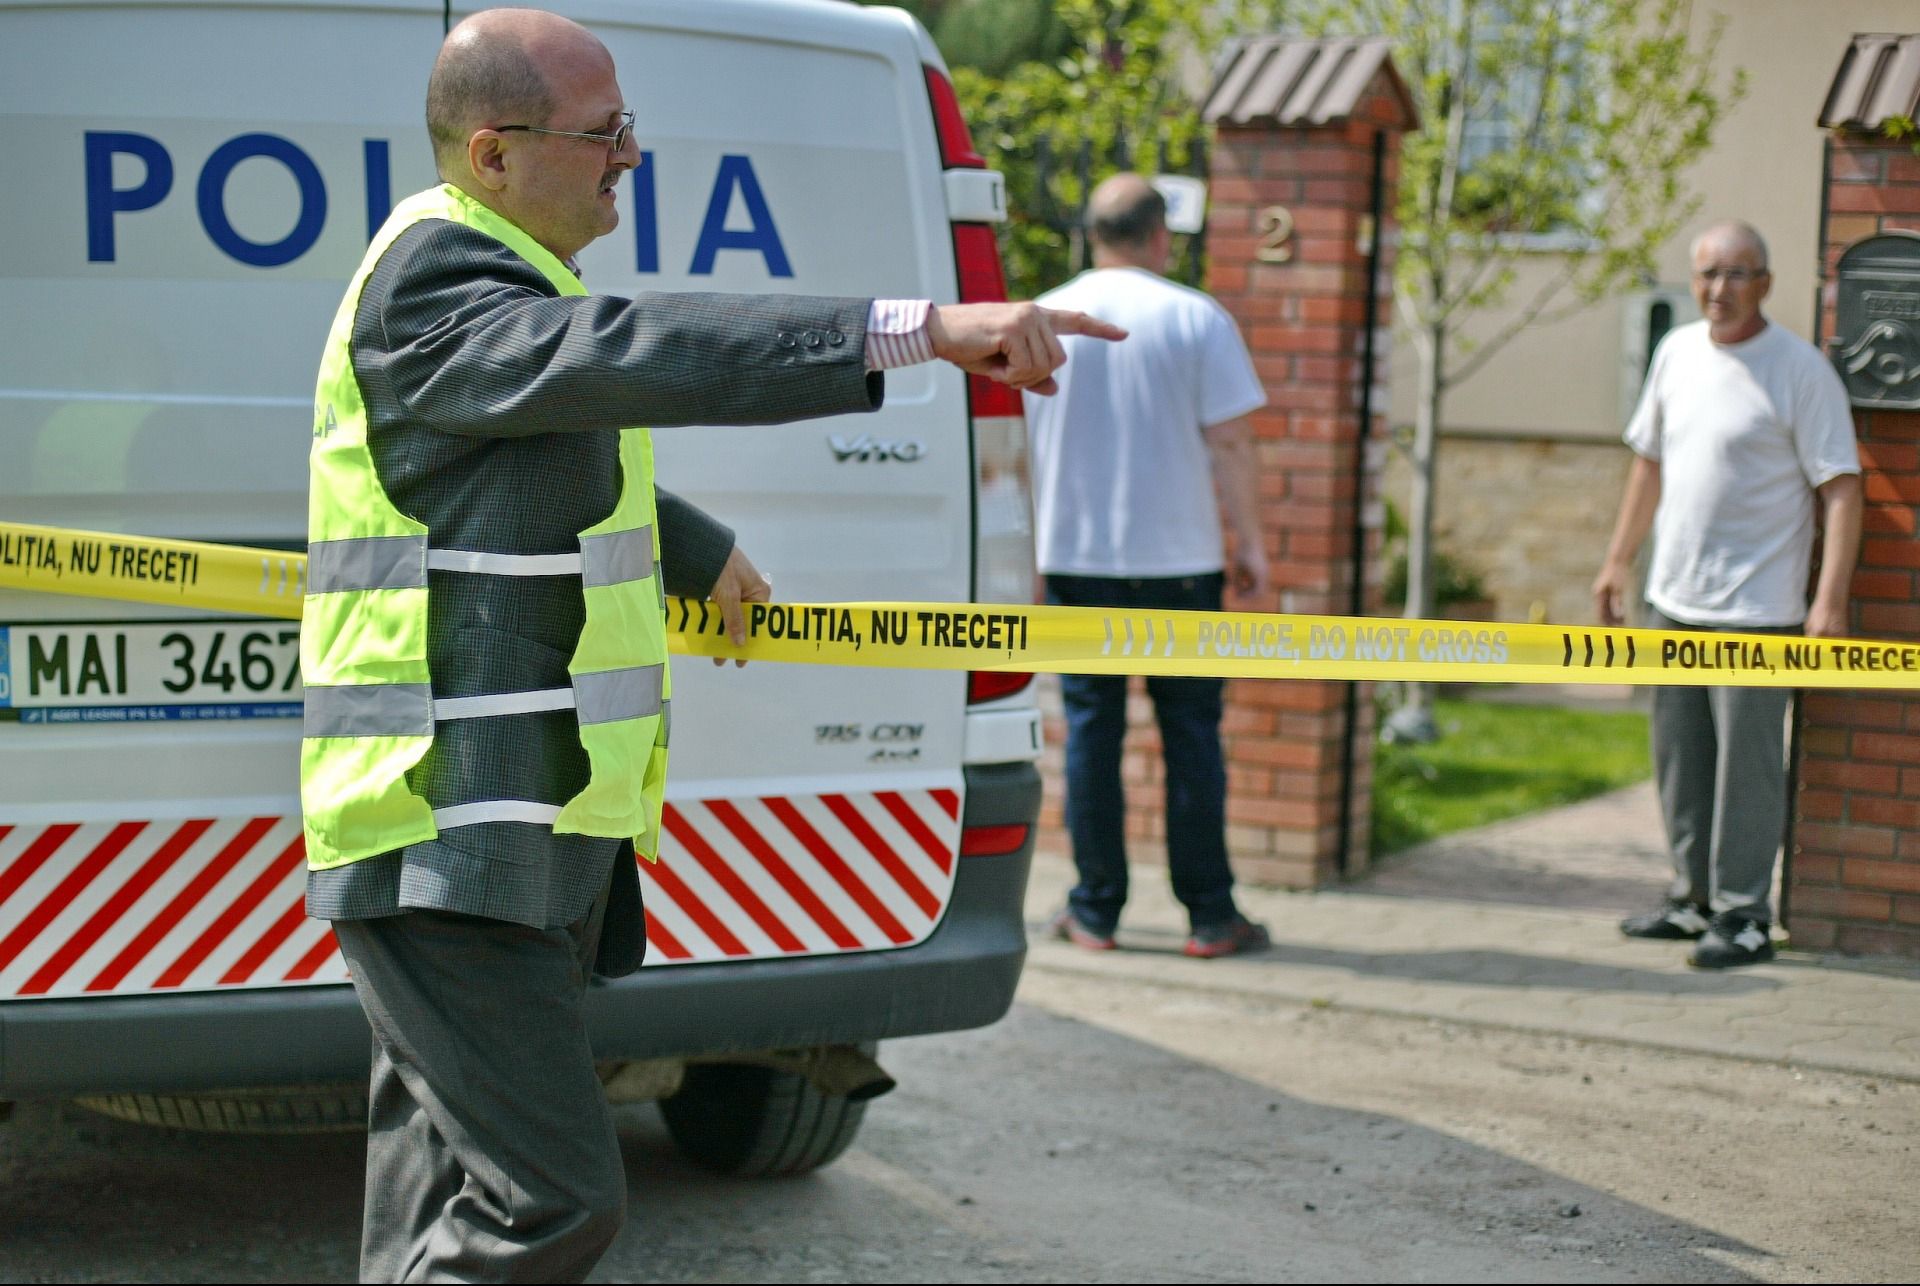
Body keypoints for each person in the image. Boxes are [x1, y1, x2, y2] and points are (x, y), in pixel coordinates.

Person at [300, 10, 1122, 1281]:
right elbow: (629, 354)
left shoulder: (509, 279)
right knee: (551, 1201)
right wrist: (912, 330)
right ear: (492, 153)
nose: (631, 155)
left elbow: (514, 441)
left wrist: (680, 540)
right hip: (446, 831)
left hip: (522, 831)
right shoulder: (437, 279)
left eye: (628, 127)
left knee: (440, 1187)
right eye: (602, 133)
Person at [1594, 219, 1862, 970]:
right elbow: (1647, 464)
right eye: (1707, 275)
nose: (1719, 290)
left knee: (1746, 771)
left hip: (1759, 612)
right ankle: (1692, 898)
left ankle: (1744, 915)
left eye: (1736, 274)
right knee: (1679, 759)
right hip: (1675, 599)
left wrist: (1830, 601)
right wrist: (1618, 562)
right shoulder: (1676, 353)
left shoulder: (1799, 371)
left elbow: (1842, 488)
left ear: (1766, 284)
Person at [1023, 174, 1271, 960]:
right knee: (1191, 736)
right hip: (1181, 562)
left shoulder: (1039, 319)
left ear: (1090, 234)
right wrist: (1253, 543)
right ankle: (1209, 914)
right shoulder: (1198, 318)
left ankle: (1095, 911)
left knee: (1092, 737)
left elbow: (1011, 454)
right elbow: (1231, 443)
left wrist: (1021, 557)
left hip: (1073, 558)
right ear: (1160, 236)